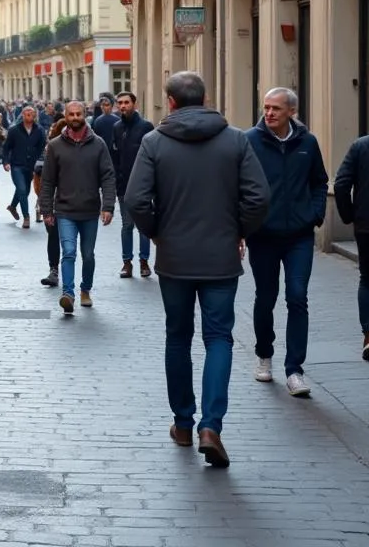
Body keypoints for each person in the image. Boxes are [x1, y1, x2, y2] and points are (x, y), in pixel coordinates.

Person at [124, 71, 270, 468]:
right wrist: (237, 230)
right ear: (205, 98)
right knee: (219, 338)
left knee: (177, 337)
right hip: (221, 257)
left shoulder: (154, 142)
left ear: (170, 102)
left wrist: (156, 233)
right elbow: (259, 197)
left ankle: (184, 424)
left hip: (174, 257)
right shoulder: (236, 139)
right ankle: (212, 426)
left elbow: (136, 200)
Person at [244, 87, 329, 397]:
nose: (269, 113)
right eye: (266, 107)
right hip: (263, 236)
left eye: (276, 108)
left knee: (297, 296)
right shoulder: (250, 141)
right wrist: (245, 224)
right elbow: (239, 183)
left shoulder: (307, 143)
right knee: (266, 297)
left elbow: (320, 181)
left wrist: (315, 214)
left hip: (299, 236)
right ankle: (264, 355)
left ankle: (294, 369)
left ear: (291, 111)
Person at [38, 101, 116, 315]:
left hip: (90, 210)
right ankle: (68, 294)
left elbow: (108, 176)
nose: (74, 117)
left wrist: (108, 206)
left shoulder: (98, 144)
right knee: (69, 252)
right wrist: (46, 210)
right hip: (65, 210)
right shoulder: (55, 145)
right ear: (66, 115)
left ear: (85, 115)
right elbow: (47, 181)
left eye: (78, 114)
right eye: (71, 114)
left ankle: (85, 290)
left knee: (88, 255)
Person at [333, 133, 369, 361]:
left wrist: (350, 216)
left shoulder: (360, 146)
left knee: (367, 279)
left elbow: (341, 184)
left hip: (366, 225)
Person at [112, 91, 154, 278]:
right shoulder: (117, 127)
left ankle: (144, 261)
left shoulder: (146, 127)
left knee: (143, 226)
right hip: (123, 185)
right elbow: (114, 157)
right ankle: (126, 263)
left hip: (144, 185)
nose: (123, 106)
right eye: (120, 103)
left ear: (134, 104)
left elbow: (153, 156)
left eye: (126, 102)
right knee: (127, 225)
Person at [2, 104, 47, 228]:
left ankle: (12, 206)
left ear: (34, 115)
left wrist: (37, 158)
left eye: (31, 112)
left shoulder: (39, 130)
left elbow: (42, 145)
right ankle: (26, 217)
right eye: (26, 112)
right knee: (21, 189)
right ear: (22, 115)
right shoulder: (14, 130)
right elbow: (6, 147)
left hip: (31, 165)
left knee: (25, 191)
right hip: (17, 164)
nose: (29, 113)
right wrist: (5, 162)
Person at [35, 118, 68, 287]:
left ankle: (63, 272)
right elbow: (39, 168)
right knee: (53, 236)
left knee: (66, 241)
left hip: (73, 202)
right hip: (53, 200)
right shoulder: (50, 147)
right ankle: (54, 270)